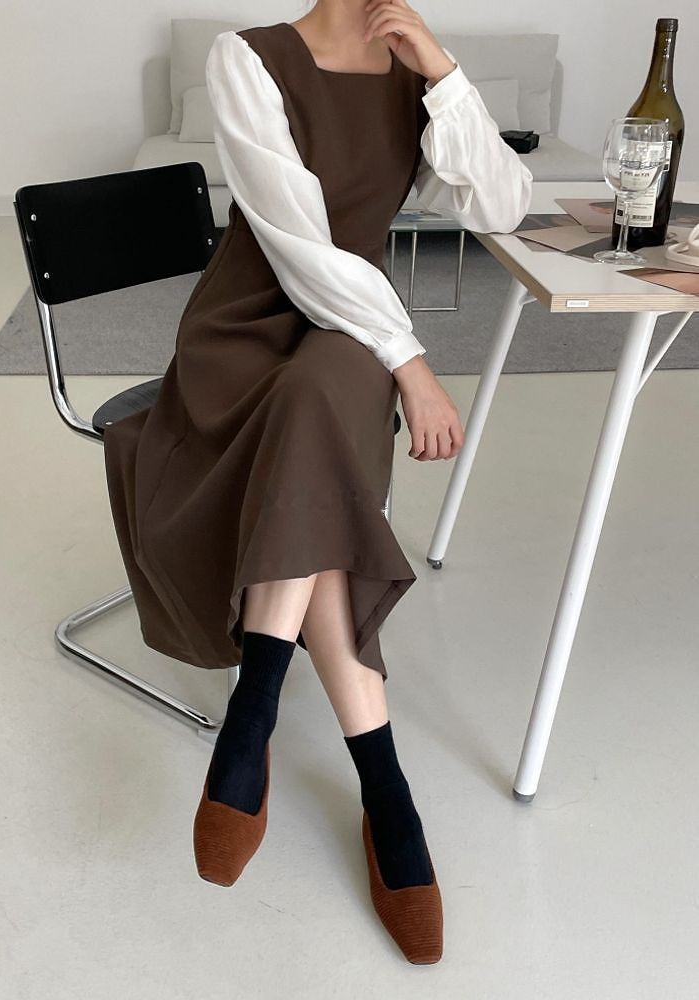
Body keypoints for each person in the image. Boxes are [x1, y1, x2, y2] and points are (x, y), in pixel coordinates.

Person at [102, 0, 533, 966]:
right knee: (318, 442)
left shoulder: (413, 71)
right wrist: (411, 363)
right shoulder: (248, 58)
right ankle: (385, 788)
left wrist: (444, 73)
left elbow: (503, 205)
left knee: (318, 406)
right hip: (250, 328)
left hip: (348, 335)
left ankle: (254, 711)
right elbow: (300, 246)